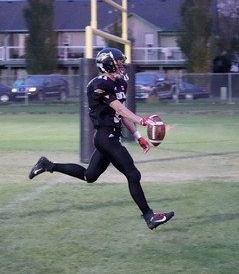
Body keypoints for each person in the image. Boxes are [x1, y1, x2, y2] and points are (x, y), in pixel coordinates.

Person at [29, 48, 174, 230]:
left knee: (89, 176)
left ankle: (47, 165)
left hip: (112, 135)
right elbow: (120, 109)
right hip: (105, 137)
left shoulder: (120, 83)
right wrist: (143, 121)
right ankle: (149, 216)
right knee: (133, 174)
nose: (122, 64)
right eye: (119, 61)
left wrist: (137, 135)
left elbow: (121, 114)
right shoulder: (98, 84)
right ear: (108, 64)